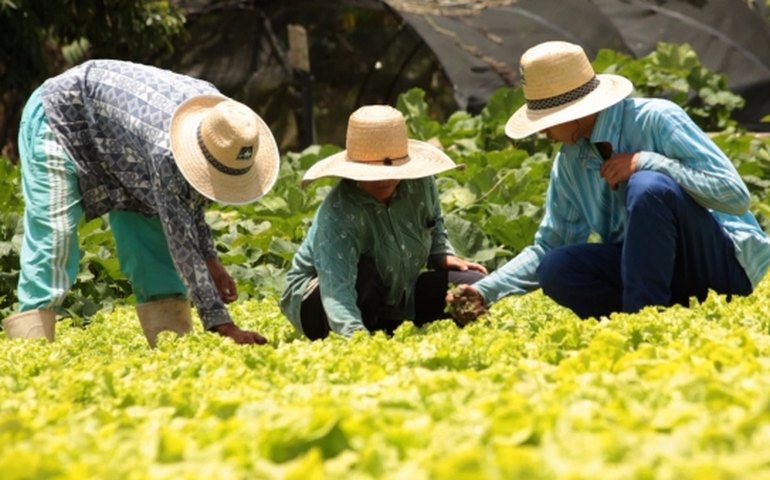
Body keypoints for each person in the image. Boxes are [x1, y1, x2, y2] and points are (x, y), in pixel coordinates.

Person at [446, 40, 770, 324]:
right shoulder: (570, 161)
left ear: (570, 114)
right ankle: (655, 315)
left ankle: (643, 324)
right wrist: (484, 290)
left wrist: (648, 161)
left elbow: (735, 197)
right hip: (656, 277)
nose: (543, 134)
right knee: (556, 268)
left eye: (545, 124)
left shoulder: (657, 118)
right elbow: (549, 244)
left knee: (648, 186)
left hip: (719, 265)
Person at [2, 59, 281, 346]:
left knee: (151, 246)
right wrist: (223, 325)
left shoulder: (223, 125)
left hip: (125, 141)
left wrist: (211, 259)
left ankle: (170, 343)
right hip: (63, 116)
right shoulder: (172, 149)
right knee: (55, 235)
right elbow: (182, 242)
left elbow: (192, 202)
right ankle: (31, 343)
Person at [281, 105, 487, 339]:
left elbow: (433, 221)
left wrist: (441, 255)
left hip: (399, 293)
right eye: (373, 173)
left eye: (392, 170)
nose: (385, 179)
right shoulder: (339, 211)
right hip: (323, 298)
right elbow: (336, 291)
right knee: (366, 275)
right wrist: (356, 339)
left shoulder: (420, 183)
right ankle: (369, 332)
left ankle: (387, 326)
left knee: (474, 286)